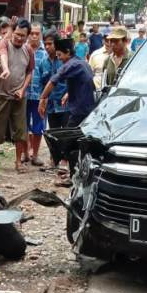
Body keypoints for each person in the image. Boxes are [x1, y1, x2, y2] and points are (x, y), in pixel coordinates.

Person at [38, 38, 95, 185]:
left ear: (68, 52)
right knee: (78, 142)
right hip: (87, 108)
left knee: (69, 143)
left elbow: (53, 81)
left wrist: (42, 99)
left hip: (79, 110)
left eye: (59, 55)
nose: (59, 59)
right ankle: (75, 173)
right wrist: (68, 94)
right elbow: (85, 82)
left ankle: (72, 177)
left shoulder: (71, 64)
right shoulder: (82, 63)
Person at [0, 18, 34, 173]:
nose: (19, 38)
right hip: (0, 94)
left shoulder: (28, 50)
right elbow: (3, 56)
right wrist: (5, 69)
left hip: (18, 95)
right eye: (17, 34)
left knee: (20, 130)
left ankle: (18, 162)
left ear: (27, 36)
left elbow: (29, 72)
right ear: (12, 32)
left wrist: (23, 89)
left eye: (23, 35)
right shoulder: (4, 44)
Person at [23, 22, 48, 166]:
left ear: (41, 35)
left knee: (38, 126)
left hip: (39, 95)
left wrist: (45, 97)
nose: (33, 36)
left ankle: (35, 155)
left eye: (36, 34)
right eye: (31, 33)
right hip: (24, 94)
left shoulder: (45, 53)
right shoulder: (23, 50)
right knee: (23, 126)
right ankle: (25, 153)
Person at [40, 29, 69, 130]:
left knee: (66, 136)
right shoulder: (43, 62)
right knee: (54, 136)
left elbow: (74, 81)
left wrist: (68, 93)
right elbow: (43, 83)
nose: (47, 47)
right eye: (45, 44)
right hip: (51, 107)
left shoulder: (65, 59)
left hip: (66, 106)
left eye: (50, 43)